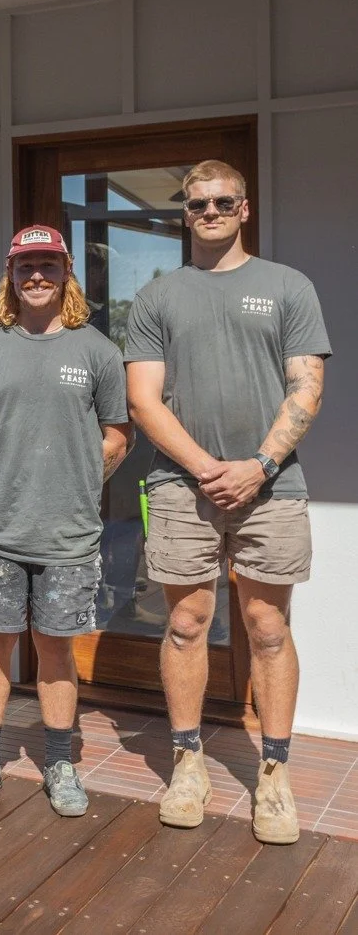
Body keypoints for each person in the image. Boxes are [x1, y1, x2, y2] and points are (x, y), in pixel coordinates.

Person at [125, 159, 330, 845]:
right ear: (183, 214)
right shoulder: (158, 298)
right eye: (195, 204)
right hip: (182, 487)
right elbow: (142, 400)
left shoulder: (288, 288)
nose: (207, 213)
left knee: (268, 630)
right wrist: (210, 468)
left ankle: (273, 775)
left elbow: (306, 388)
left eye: (220, 203)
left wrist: (260, 465)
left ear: (245, 209)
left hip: (272, 487)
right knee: (185, 624)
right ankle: (189, 762)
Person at [0, 225, 131, 817]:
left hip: (69, 534)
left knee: (57, 650)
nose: (36, 276)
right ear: (10, 272)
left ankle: (60, 761)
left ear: (65, 271)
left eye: (47, 265)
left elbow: (117, 435)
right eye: (26, 265)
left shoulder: (97, 352)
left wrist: (75, 485)